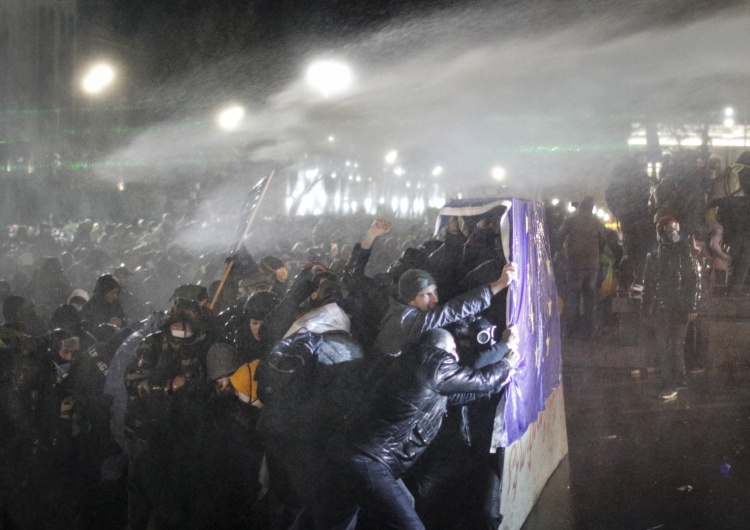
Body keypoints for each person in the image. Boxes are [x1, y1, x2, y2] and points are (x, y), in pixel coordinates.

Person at [316, 327, 521, 530]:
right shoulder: (434, 362)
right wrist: (507, 359)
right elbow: (481, 379)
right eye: (453, 350)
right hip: (368, 461)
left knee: (338, 522)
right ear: (441, 350)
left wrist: (500, 382)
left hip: (352, 457)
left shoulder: (417, 367)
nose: (456, 357)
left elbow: (460, 395)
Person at [374, 262, 517, 357]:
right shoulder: (407, 321)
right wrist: (498, 285)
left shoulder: (402, 307)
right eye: (426, 295)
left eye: (434, 292)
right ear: (411, 299)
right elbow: (450, 312)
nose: (435, 299)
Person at [641, 216, 702, 400]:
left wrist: (692, 306)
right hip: (662, 307)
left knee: (675, 345)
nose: (672, 231)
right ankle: (676, 380)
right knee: (666, 346)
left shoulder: (684, 252)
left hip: (680, 306)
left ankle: (672, 384)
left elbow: (694, 280)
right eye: (667, 228)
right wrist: (646, 308)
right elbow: (649, 284)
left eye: (674, 227)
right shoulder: (654, 255)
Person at [557, 196, 607, 338]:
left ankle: (571, 329)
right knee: (590, 298)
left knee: (573, 296)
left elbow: (559, 236)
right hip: (592, 265)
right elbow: (603, 241)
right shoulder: (597, 222)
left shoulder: (570, 220)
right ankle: (589, 330)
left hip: (574, 264)